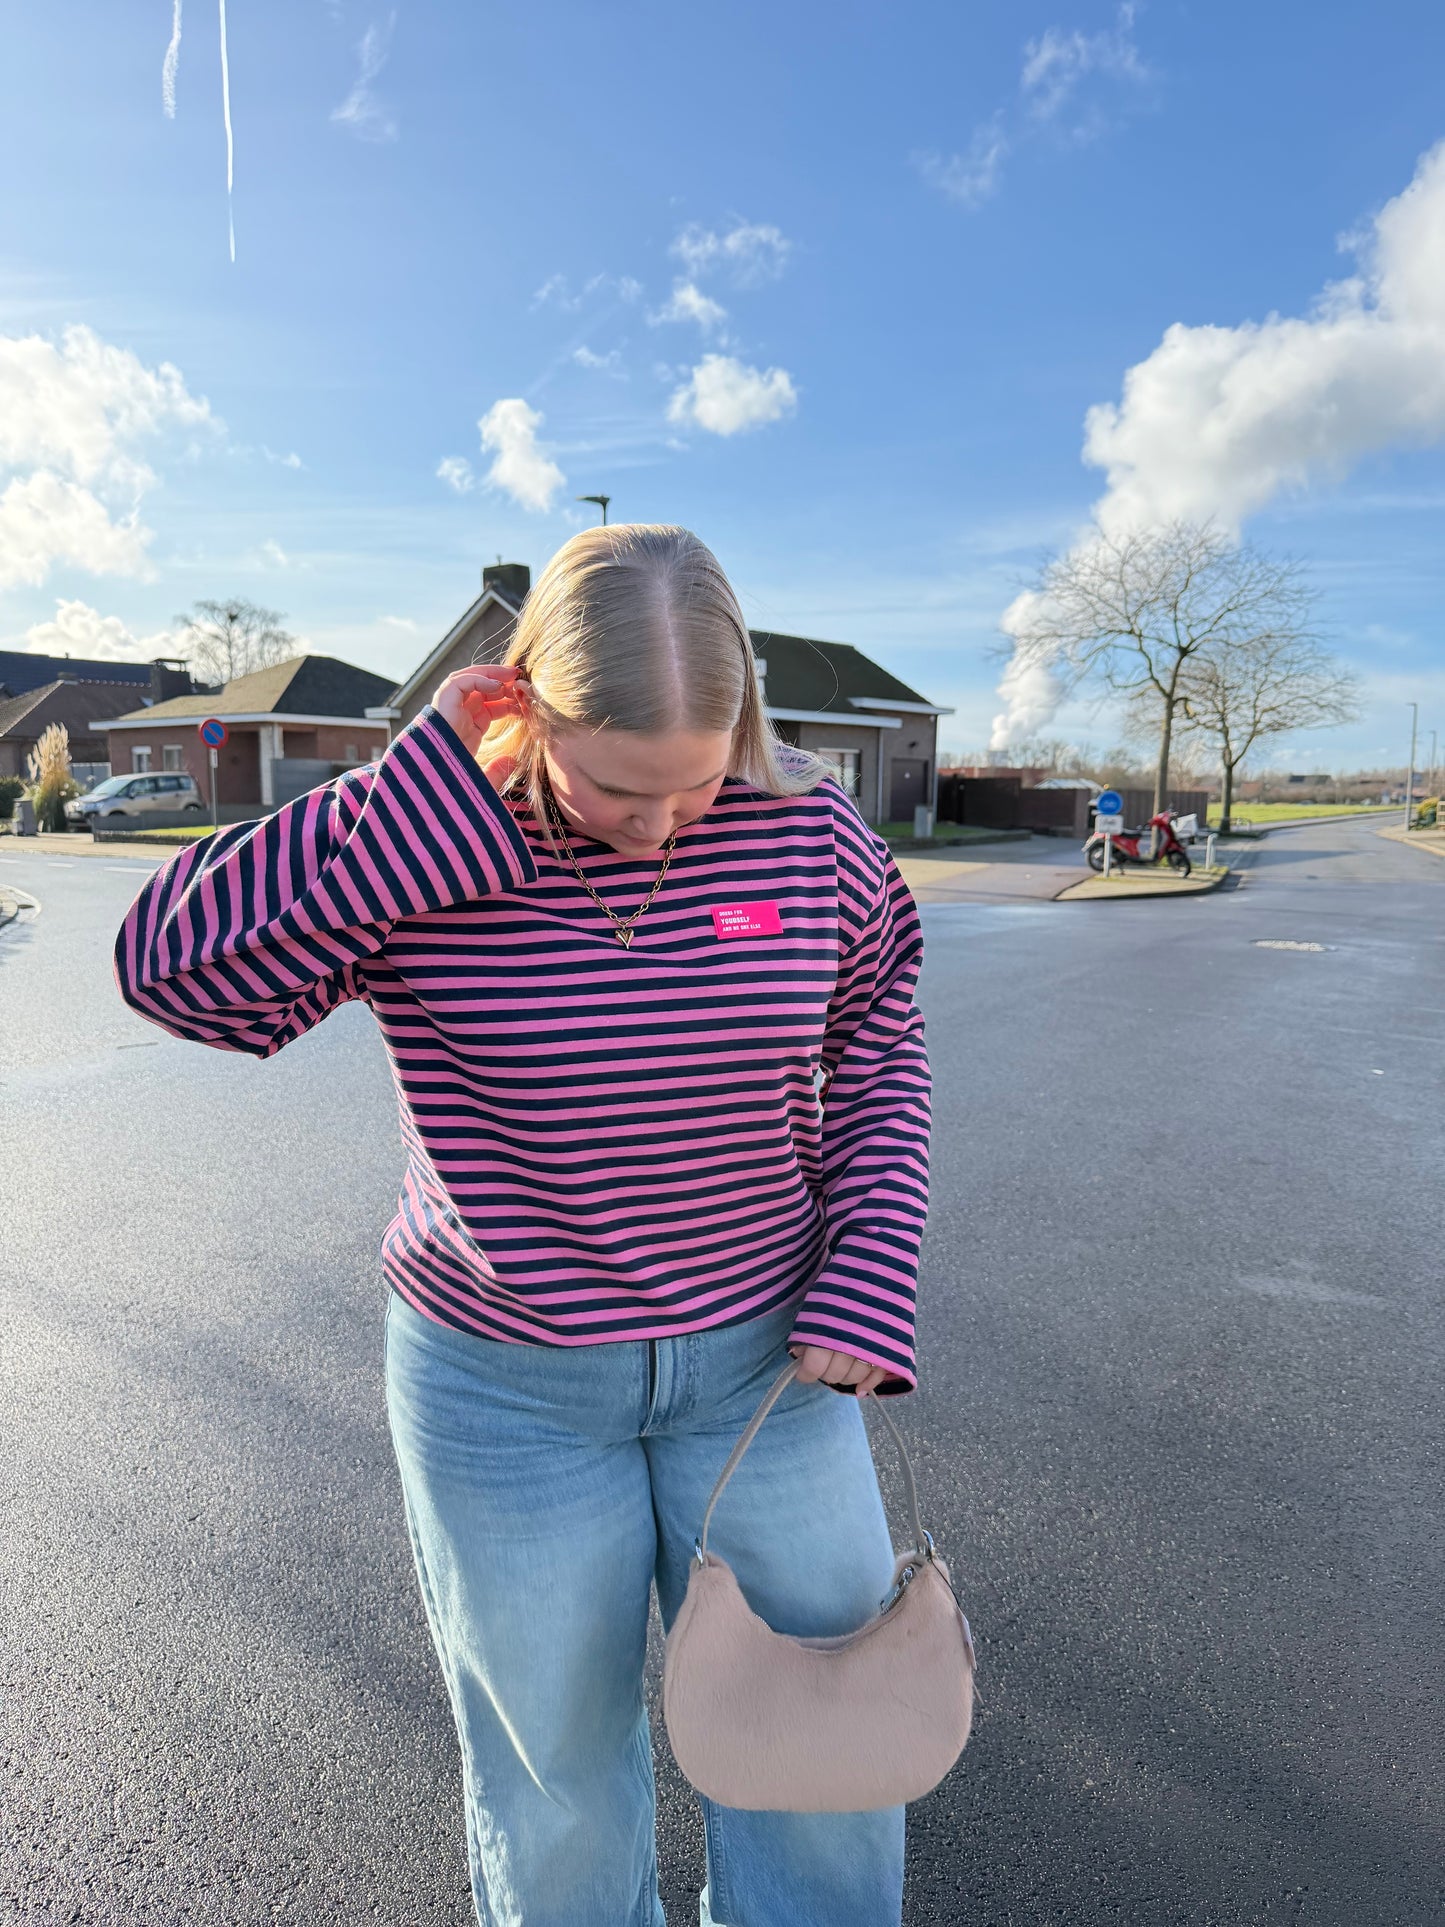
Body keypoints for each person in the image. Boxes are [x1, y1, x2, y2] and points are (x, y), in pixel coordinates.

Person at [115, 524, 932, 1927]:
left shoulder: (807, 828)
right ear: (518, 707)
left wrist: (869, 1261)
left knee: (826, 1761)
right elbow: (174, 977)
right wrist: (415, 797)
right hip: (504, 1392)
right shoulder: (421, 842)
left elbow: (877, 1040)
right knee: (550, 1778)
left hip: (768, 1374)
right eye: (618, 785)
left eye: (696, 783)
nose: (661, 825)